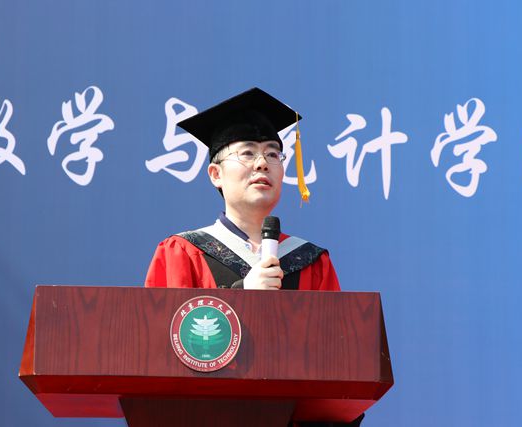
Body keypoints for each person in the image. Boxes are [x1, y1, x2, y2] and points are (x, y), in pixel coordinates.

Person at [144, 87, 363, 427]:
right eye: (247, 153)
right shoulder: (182, 253)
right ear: (216, 174)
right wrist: (241, 297)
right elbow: (160, 352)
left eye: (274, 154)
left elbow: (337, 361)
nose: (263, 163)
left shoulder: (311, 261)